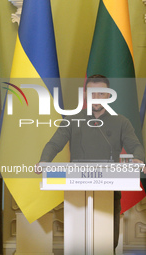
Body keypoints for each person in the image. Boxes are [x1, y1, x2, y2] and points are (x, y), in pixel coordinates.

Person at [39, 74, 145, 250]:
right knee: (78, 242)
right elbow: (54, 143)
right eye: (92, 93)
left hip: (110, 188)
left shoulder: (121, 122)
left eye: (101, 93)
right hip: (77, 188)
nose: (97, 98)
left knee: (108, 241)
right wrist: (44, 161)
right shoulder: (72, 120)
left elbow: (136, 146)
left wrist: (139, 159)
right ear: (86, 95)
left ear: (108, 95)